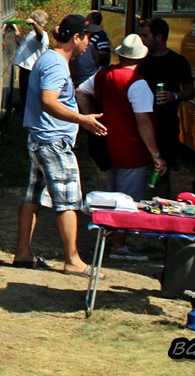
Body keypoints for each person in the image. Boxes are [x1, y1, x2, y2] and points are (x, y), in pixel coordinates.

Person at [13, 14, 107, 276]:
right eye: (87, 37)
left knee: (33, 196)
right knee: (67, 200)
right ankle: (73, 260)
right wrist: (82, 119)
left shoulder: (49, 58)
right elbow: (49, 101)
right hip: (53, 141)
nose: (89, 43)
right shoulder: (56, 64)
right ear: (76, 38)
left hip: (41, 138)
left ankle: (23, 253)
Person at [76, 33, 167, 261]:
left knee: (113, 194)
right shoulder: (138, 84)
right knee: (129, 199)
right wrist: (155, 154)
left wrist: (90, 119)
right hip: (132, 150)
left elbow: (80, 92)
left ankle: (109, 236)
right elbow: (143, 121)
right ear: (142, 58)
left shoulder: (104, 73)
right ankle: (119, 246)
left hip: (108, 144)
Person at [135, 17, 195, 195]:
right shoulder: (140, 61)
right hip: (142, 123)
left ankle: (159, 208)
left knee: (163, 170)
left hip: (167, 125)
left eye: (145, 36)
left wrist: (174, 95)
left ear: (159, 37)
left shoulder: (178, 61)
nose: (141, 40)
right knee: (141, 170)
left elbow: (191, 91)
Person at [11, 10, 49, 110]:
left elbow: (39, 34)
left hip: (31, 70)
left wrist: (33, 24)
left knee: (29, 97)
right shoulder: (31, 34)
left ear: (36, 20)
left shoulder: (42, 35)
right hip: (25, 69)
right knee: (24, 95)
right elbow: (21, 42)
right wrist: (14, 27)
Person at [70, 11, 111, 87]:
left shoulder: (100, 35)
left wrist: (90, 52)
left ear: (93, 21)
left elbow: (105, 53)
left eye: (88, 19)